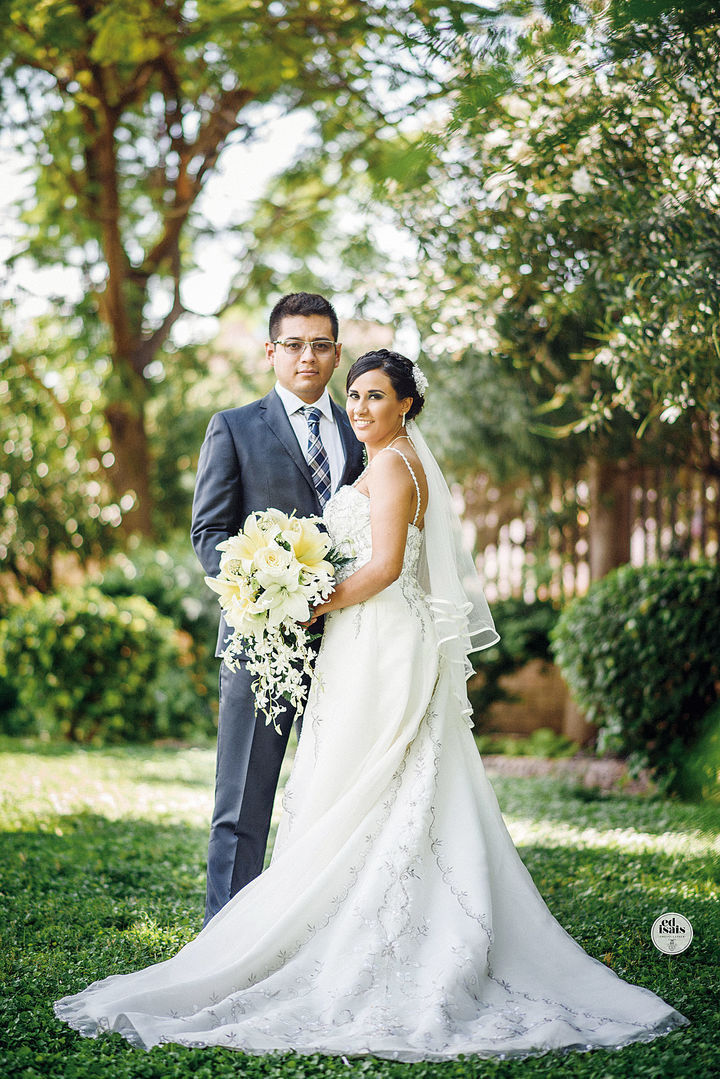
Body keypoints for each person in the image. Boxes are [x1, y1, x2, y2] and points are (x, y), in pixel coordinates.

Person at [55, 350, 688, 1060]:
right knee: (370, 783)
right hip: (367, 638)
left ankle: (372, 933)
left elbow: (385, 566)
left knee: (370, 782)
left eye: (375, 396)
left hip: (383, 640)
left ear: (407, 404)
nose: (358, 408)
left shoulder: (391, 465)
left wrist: (305, 601)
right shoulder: (392, 458)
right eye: (353, 395)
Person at [190, 292, 364, 924]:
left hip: (353, 638)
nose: (307, 357)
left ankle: (325, 930)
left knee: (343, 793)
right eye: (293, 344)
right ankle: (224, 935)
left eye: (320, 345)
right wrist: (262, 587)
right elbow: (209, 534)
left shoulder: (361, 431)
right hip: (262, 641)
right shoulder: (233, 427)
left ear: (337, 353)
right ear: (271, 352)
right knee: (243, 798)